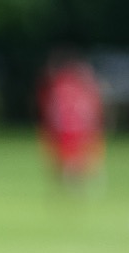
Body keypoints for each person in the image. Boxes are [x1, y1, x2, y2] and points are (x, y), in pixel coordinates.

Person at [39, 50, 105, 188]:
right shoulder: (78, 87)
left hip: (68, 128)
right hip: (74, 127)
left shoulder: (59, 86)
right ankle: (74, 180)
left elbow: (51, 109)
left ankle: (72, 180)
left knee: (70, 158)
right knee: (73, 157)